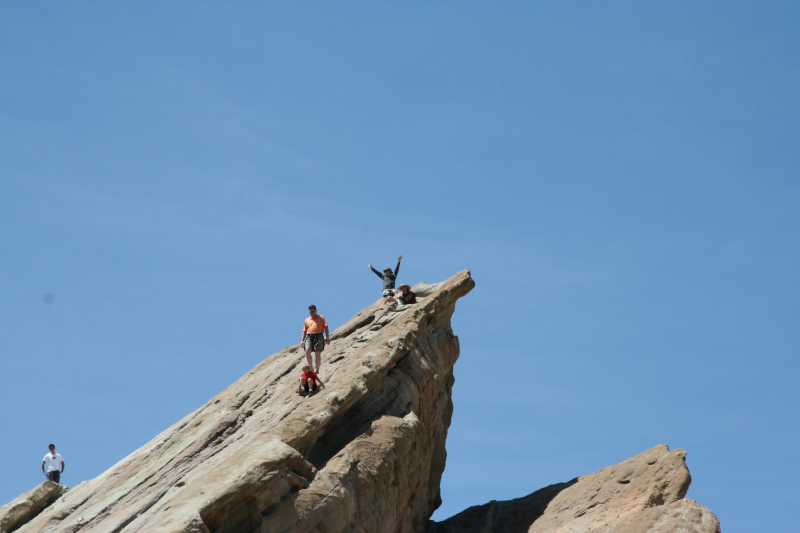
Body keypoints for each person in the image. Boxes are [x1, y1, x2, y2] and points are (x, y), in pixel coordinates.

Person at [301, 305, 330, 374]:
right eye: (310, 312)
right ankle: (311, 368)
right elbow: (304, 331)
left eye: (313, 311)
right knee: (308, 350)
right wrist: (302, 340)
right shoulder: (307, 320)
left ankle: (317, 369)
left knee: (317, 352)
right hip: (309, 336)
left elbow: (326, 327)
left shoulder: (321, 317)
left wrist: (327, 337)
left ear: (316, 310)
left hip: (319, 335)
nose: (312, 313)